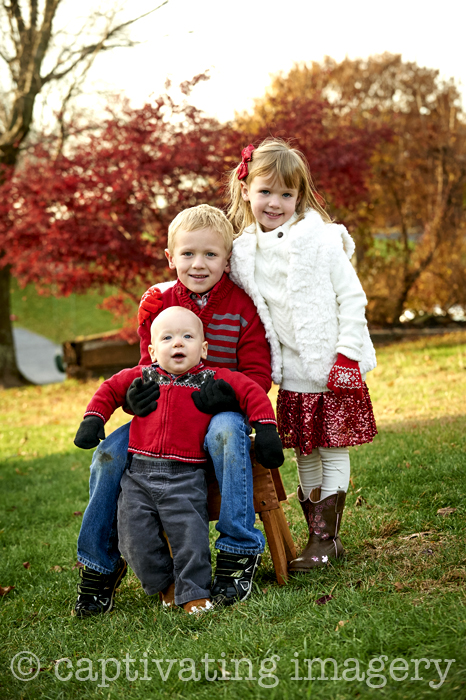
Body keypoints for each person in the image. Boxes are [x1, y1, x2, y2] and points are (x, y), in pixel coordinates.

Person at [74, 204, 276, 617]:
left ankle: (238, 551)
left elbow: (257, 373)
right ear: (171, 257)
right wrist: (132, 398)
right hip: (165, 412)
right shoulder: (158, 301)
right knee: (109, 454)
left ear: (227, 258)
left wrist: (229, 397)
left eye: (210, 255)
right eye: (187, 254)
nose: (198, 264)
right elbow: (144, 364)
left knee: (224, 433)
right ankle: (99, 565)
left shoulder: (243, 307)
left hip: (217, 408)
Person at [226, 139, 377, 572]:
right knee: (304, 453)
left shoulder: (319, 240)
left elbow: (352, 298)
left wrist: (347, 357)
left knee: (332, 450)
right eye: (266, 192)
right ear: (246, 190)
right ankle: (319, 536)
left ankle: (325, 539)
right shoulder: (242, 251)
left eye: (286, 194)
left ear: (300, 196)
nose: (275, 202)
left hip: (332, 367)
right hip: (290, 371)